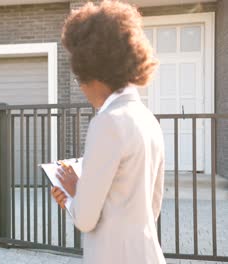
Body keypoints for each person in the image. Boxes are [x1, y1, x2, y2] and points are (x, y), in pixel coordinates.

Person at [51, 1, 165, 264]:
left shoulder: (107, 123)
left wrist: (72, 191)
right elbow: (152, 205)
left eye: (80, 77)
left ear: (94, 71)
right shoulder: (148, 119)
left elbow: (85, 220)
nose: (81, 86)